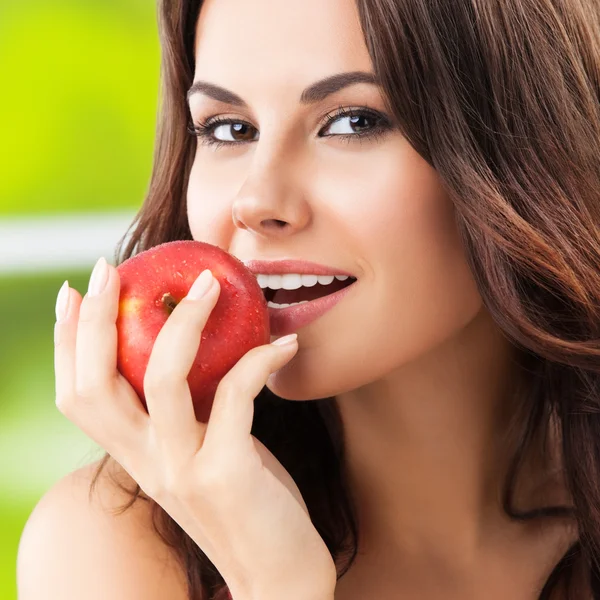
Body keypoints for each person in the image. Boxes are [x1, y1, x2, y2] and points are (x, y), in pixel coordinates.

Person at [16, 0, 600, 598]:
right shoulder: (109, 551)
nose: (255, 200)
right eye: (229, 129)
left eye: (353, 122)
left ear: (527, 146)